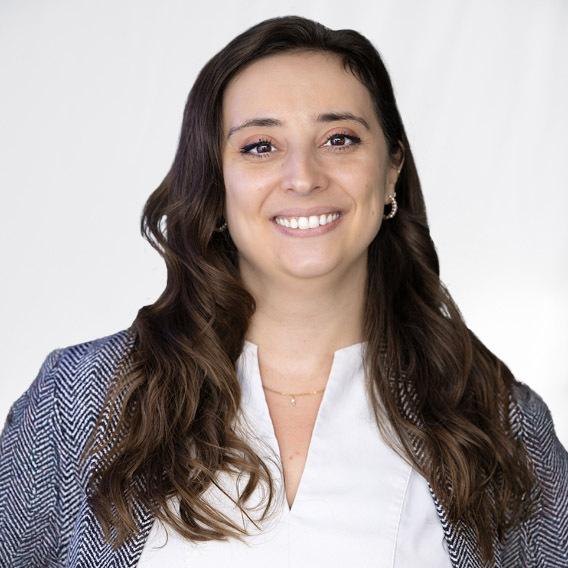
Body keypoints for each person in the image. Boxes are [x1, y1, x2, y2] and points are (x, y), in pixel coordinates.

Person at [0, 15, 566, 568]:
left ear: (392, 168)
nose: (303, 176)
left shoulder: (496, 419)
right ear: (215, 183)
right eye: (260, 147)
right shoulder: (80, 400)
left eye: (339, 138)